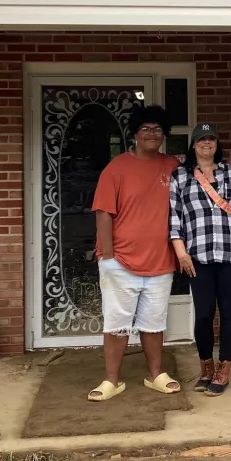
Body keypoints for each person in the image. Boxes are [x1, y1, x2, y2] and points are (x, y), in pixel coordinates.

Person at [88, 105, 182, 402]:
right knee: (117, 325)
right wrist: (108, 257)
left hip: (161, 261)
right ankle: (111, 380)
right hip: (121, 261)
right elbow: (103, 212)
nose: (152, 134)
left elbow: (204, 179)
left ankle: (156, 375)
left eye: (157, 129)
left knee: (154, 324)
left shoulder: (173, 167)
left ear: (164, 134)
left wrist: (228, 166)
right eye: (146, 129)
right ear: (135, 134)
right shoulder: (116, 168)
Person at [169, 123, 231, 396]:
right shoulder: (180, 177)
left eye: (211, 139)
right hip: (198, 256)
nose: (206, 143)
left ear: (217, 144)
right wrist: (181, 252)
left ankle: (224, 369)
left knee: (229, 313)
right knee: (205, 313)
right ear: (193, 145)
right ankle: (206, 366)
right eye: (201, 140)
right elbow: (174, 218)